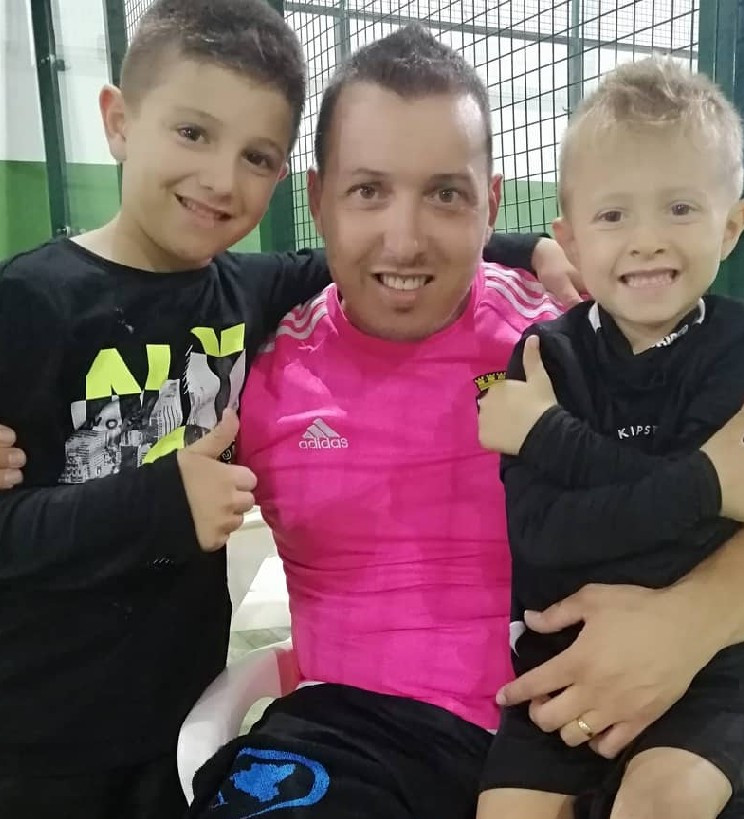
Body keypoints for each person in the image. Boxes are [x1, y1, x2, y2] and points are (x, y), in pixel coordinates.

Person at [187, 26, 744, 819]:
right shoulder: (256, 369)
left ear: (489, 203)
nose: (404, 238)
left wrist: (687, 624)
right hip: (354, 736)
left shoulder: (573, 335)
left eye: (445, 194)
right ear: (317, 199)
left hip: (603, 724)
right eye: (368, 190)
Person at [0, 4, 566, 817]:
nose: (220, 179)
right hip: (43, 724)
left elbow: (385, 252)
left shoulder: (247, 292)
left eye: (255, 155)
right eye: (192, 133)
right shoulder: (41, 302)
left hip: (174, 702)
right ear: (118, 121)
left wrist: (536, 247)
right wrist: (159, 503)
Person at [477, 58, 744, 819]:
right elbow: (541, 535)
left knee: (661, 804)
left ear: (731, 224)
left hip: (702, 670)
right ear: (570, 240)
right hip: (559, 661)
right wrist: (699, 483)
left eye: (679, 207)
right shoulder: (544, 357)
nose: (646, 240)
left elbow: (706, 538)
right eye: (612, 216)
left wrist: (548, 436)